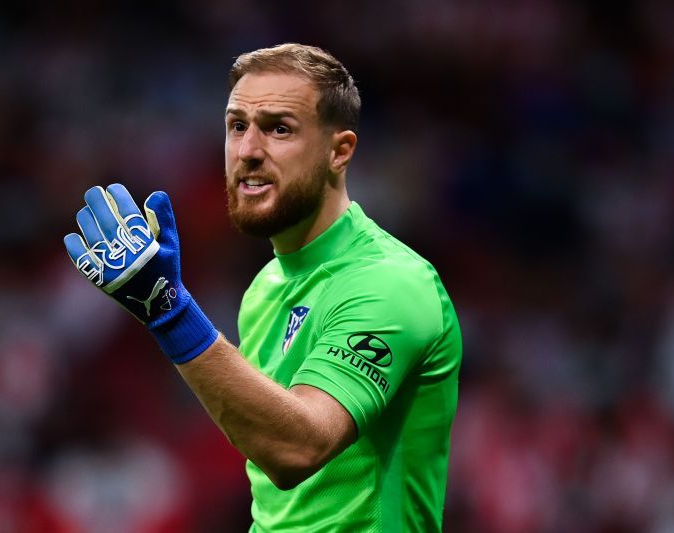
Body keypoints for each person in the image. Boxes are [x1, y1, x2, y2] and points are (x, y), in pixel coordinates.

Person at [64, 43, 462, 532]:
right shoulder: (265, 289)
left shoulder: (389, 283)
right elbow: (282, 506)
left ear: (339, 151)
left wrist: (169, 312)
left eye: (279, 128)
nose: (249, 151)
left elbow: (299, 449)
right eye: (237, 126)